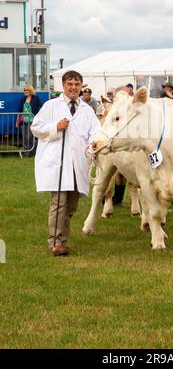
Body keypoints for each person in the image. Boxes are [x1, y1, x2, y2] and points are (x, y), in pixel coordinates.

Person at [31, 70, 100, 256]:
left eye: (77, 84)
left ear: (81, 86)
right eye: (70, 84)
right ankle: (55, 243)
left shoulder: (87, 110)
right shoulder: (51, 106)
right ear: (63, 86)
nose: (73, 88)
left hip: (78, 164)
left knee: (71, 206)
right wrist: (55, 127)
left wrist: (94, 142)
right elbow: (35, 128)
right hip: (58, 164)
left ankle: (62, 239)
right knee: (59, 203)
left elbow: (96, 131)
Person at [16, 84, 42, 156]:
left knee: (30, 137)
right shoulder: (23, 99)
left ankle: (32, 152)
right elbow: (20, 110)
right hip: (23, 121)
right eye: (24, 90)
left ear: (31, 90)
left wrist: (40, 116)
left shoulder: (36, 98)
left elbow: (42, 107)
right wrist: (17, 121)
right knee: (24, 137)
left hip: (32, 121)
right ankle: (26, 152)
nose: (26, 91)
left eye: (27, 90)